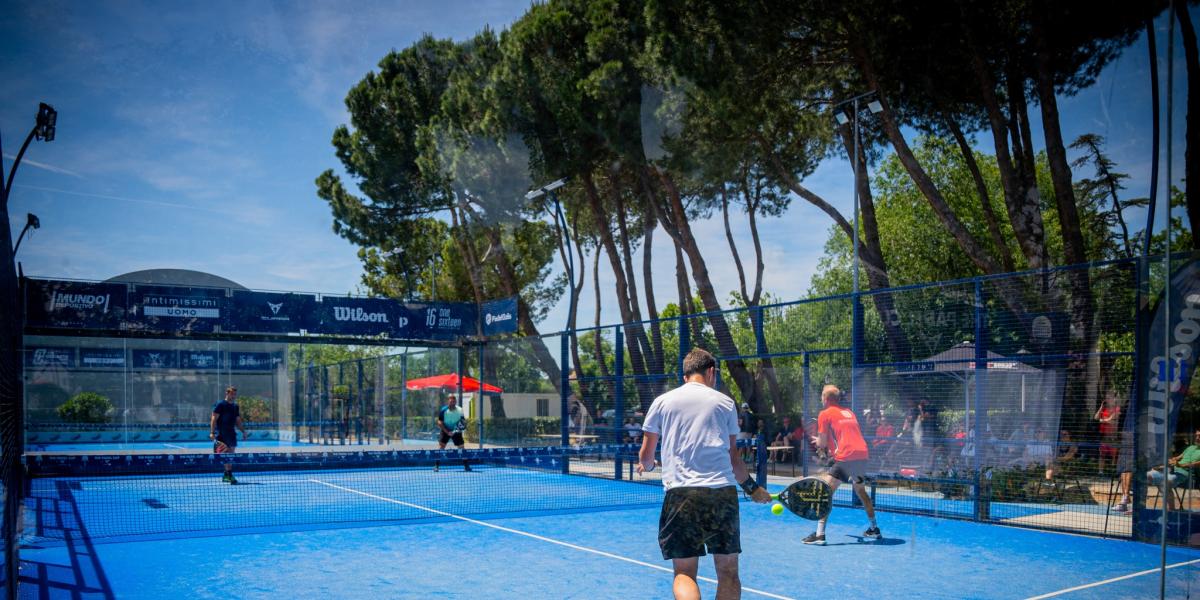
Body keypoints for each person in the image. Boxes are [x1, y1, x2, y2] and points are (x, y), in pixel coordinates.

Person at [637, 348, 770, 600]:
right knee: (728, 572)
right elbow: (734, 459)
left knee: (685, 573)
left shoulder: (662, 402)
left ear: (685, 375)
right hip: (722, 495)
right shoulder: (725, 403)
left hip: (681, 496)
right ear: (711, 372)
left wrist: (650, 464)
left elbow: (645, 458)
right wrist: (753, 489)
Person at [803, 385, 881, 545]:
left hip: (847, 457)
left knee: (825, 493)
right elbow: (845, 435)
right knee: (861, 491)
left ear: (825, 398)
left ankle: (819, 535)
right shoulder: (849, 412)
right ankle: (874, 528)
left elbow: (823, 442)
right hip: (862, 454)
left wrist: (819, 442)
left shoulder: (824, 414)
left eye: (821, 395)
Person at [1146, 429, 1200, 511]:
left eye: (1199, 436)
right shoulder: (1191, 447)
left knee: (1164, 483)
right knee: (1146, 475)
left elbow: (1196, 464)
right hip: (1171, 470)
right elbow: (1177, 458)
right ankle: (1139, 507)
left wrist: (1180, 465)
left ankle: (1171, 509)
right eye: (1196, 435)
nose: (1197, 438)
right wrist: (1170, 461)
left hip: (1185, 475)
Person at [210, 386, 247, 484]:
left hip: (231, 434)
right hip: (221, 434)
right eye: (232, 394)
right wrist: (212, 432)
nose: (233, 396)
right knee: (226, 454)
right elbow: (214, 418)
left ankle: (227, 474)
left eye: (235, 394)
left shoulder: (235, 406)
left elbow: (238, 421)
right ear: (227, 393)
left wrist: (243, 431)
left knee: (230, 455)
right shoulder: (220, 404)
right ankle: (229, 475)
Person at [435, 394, 470, 472]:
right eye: (451, 401)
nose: (452, 403)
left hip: (456, 431)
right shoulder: (443, 410)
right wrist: (447, 432)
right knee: (441, 447)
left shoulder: (460, 410)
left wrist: (456, 430)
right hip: (445, 429)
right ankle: (436, 466)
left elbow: (463, 421)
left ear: (456, 402)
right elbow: (440, 422)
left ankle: (466, 466)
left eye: (454, 401)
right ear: (448, 401)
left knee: (461, 448)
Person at [1095, 395, 1121, 474]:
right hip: (1104, 436)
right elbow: (1096, 418)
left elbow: (1111, 420)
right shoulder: (1104, 409)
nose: (1108, 400)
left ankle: (1113, 473)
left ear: (1114, 400)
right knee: (1102, 455)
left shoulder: (1117, 409)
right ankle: (1100, 472)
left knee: (1114, 455)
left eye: (1110, 398)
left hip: (1113, 436)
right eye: (1107, 398)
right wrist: (1100, 407)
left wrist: (1101, 420)